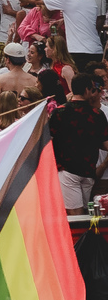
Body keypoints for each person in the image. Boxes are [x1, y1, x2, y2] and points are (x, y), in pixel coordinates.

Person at [49, 74, 108, 211]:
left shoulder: (59, 112)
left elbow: (49, 140)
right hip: (89, 171)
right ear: (87, 90)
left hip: (67, 170)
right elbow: (105, 144)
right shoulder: (97, 114)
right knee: (85, 213)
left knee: (75, 214)